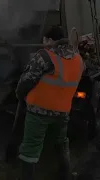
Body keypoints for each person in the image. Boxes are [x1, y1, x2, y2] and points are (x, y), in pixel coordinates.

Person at [15, 26, 84, 180]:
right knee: (61, 142)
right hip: (62, 113)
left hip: (39, 113)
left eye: (45, 40)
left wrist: (20, 95)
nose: (43, 43)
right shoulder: (78, 59)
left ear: (51, 40)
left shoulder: (44, 56)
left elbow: (26, 81)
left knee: (30, 149)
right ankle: (65, 173)